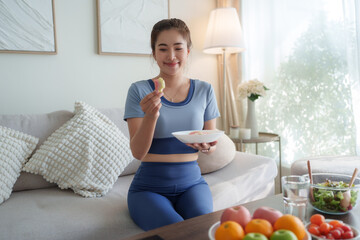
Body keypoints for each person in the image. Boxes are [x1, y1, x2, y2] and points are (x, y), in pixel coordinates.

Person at [123, 18, 220, 231]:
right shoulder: (139, 91)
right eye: (163, 49)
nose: (171, 56)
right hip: (148, 189)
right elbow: (138, 153)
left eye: (178, 48)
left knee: (206, 229)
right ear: (154, 53)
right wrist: (151, 116)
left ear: (188, 50)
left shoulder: (205, 90)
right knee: (176, 231)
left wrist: (208, 146)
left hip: (193, 185)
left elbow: (211, 144)